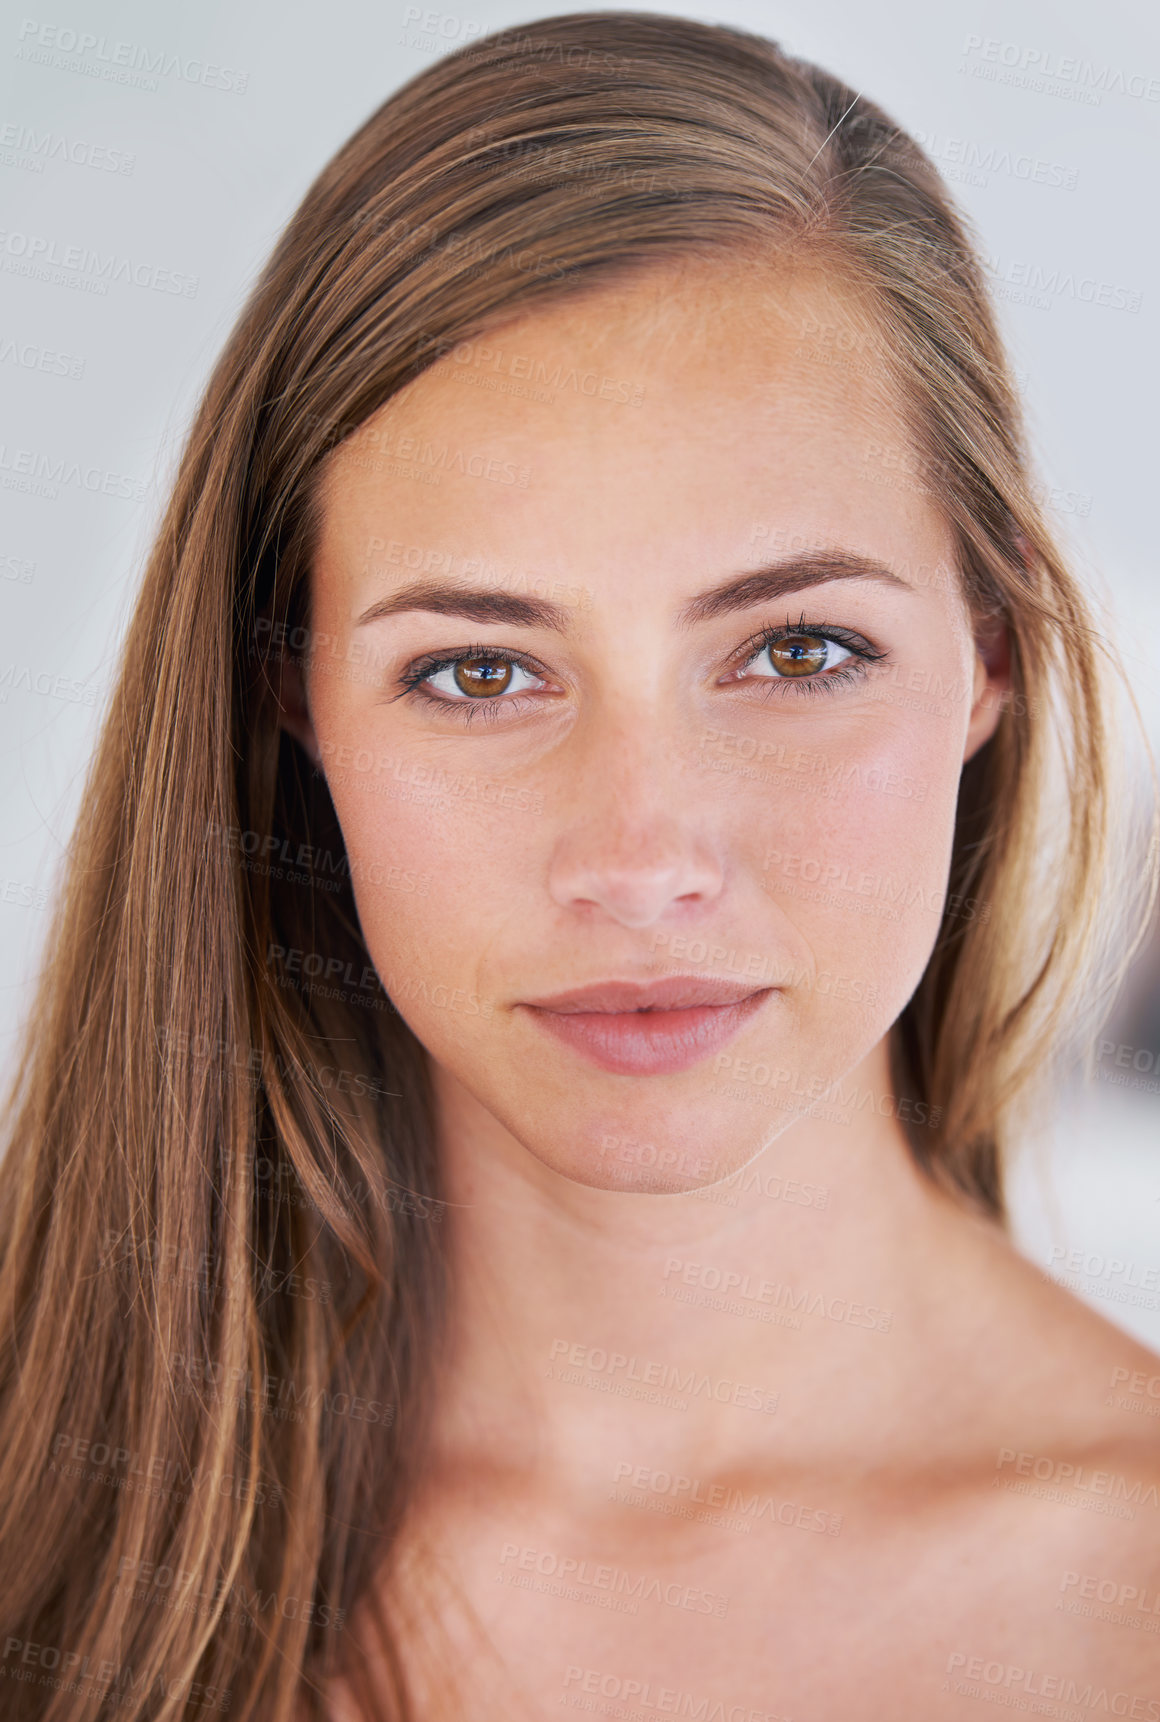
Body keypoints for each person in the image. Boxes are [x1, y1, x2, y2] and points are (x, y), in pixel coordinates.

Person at [1, 12, 1156, 1720]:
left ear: (989, 656)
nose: (643, 860)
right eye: (480, 671)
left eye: (798, 650)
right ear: (291, 698)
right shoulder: (50, 1516)